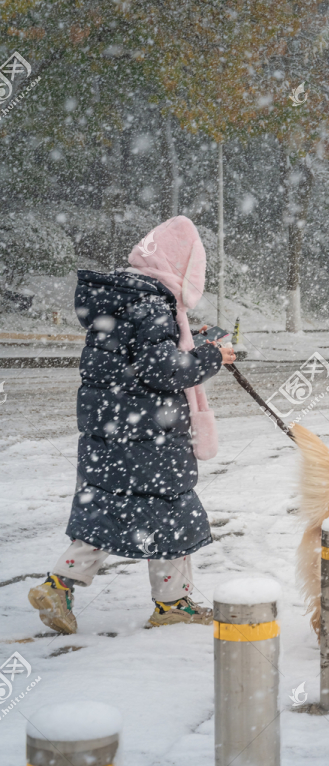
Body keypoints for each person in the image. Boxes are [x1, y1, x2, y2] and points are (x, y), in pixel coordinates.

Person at [28, 216, 236, 634]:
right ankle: (173, 603)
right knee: (174, 512)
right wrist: (212, 356)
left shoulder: (120, 299)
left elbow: (137, 353)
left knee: (108, 510)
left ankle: (58, 584)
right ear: (183, 270)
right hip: (150, 437)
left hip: (109, 435)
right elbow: (163, 370)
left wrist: (190, 338)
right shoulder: (154, 305)